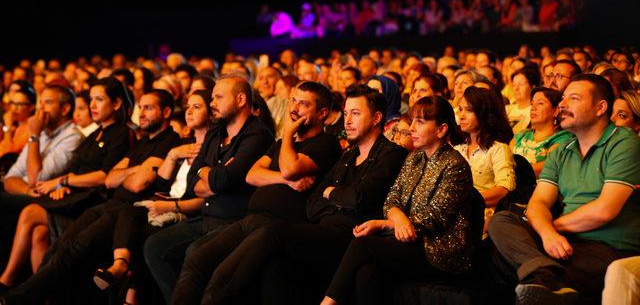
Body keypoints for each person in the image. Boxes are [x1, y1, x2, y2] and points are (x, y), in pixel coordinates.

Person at [182, 85, 407, 304]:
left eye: (355, 114)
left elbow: (359, 198)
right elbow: (313, 203)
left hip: (349, 238)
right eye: (346, 113)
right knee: (247, 264)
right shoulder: (348, 156)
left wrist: (330, 193)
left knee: (268, 235)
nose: (347, 121)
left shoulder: (390, 154)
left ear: (377, 118)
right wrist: (332, 195)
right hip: (318, 229)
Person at [0, 89, 180, 305]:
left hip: (127, 211)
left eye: (148, 108)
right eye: (140, 107)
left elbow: (136, 183)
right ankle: (29, 296)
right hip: (109, 204)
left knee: (74, 249)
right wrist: (137, 168)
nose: (141, 113)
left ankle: (14, 299)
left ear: (167, 111)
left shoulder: (170, 142)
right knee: (60, 247)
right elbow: (110, 179)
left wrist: (128, 172)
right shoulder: (143, 142)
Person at [170, 81, 341, 304]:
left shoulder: (326, 144)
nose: (295, 108)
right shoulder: (280, 144)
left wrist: (288, 134)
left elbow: (291, 167)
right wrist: (286, 181)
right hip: (250, 220)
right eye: (293, 101)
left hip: (276, 227)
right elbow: (252, 175)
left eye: (304, 104)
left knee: (222, 279)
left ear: (323, 113)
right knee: (196, 261)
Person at [488, 74, 640, 303]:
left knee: (511, 266)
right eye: (563, 99)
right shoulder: (562, 149)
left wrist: (549, 229)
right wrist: (547, 233)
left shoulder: (624, 142)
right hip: (565, 241)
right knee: (501, 221)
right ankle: (542, 274)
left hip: (609, 248)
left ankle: (541, 275)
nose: (563, 104)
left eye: (574, 98)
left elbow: (604, 210)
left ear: (600, 107)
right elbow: (538, 203)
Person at [321, 96, 475, 305]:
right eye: (412, 120)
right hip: (408, 240)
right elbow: (392, 198)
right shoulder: (414, 158)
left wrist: (386, 224)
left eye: (420, 122)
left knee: (362, 246)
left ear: (441, 129)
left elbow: (435, 217)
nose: (411, 128)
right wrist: (397, 218)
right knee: (367, 272)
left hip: (439, 250)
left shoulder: (455, 165)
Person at [143, 75, 273, 302]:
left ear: (241, 99)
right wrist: (210, 174)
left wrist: (210, 173)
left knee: (195, 253)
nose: (212, 103)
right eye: (211, 98)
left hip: (232, 221)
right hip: (204, 217)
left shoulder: (258, 135)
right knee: (154, 247)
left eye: (219, 97)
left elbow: (223, 180)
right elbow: (195, 178)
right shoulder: (215, 131)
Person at [0, 77, 133, 290]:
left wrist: (62, 181)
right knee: (38, 233)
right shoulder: (96, 134)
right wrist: (64, 187)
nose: (92, 105)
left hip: (92, 202)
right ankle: (42, 296)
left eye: (99, 99)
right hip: (72, 195)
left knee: (29, 212)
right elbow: (13, 176)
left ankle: (8, 283)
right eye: (91, 99)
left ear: (116, 104)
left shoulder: (120, 133)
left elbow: (104, 176)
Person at [92, 90, 213, 304]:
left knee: (143, 237)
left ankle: (131, 294)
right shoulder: (182, 143)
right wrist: (174, 154)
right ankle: (120, 266)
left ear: (211, 113)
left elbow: (202, 197)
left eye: (197, 107)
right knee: (128, 211)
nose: (189, 112)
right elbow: (162, 182)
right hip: (164, 199)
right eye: (187, 107)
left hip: (185, 210)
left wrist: (170, 206)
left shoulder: (212, 149)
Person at [454, 86, 515, 226]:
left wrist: (465, 201)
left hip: (483, 216)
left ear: (484, 113)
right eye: (460, 109)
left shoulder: (498, 149)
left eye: (469, 110)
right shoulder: (458, 149)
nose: (461, 115)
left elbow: (504, 190)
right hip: (454, 213)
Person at [511, 87, 573, 177]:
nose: (533, 108)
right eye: (532, 104)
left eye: (540, 103)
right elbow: (504, 159)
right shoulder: (521, 135)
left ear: (555, 111)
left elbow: (548, 167)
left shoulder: (563, 138)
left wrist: (508, 171)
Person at [0, 83, 36, 166]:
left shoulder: (30, 129)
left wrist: (7, 128)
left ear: (31, 107)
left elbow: (8, 156)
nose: (14, 108)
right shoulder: (14, 125)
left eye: (19, 104)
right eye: (12, 103)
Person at [506, 67, 540, 134]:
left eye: (521, 84)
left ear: (533, 87)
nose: (516, 88)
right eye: (514, 85)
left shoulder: (535, 111)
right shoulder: (507, 109)